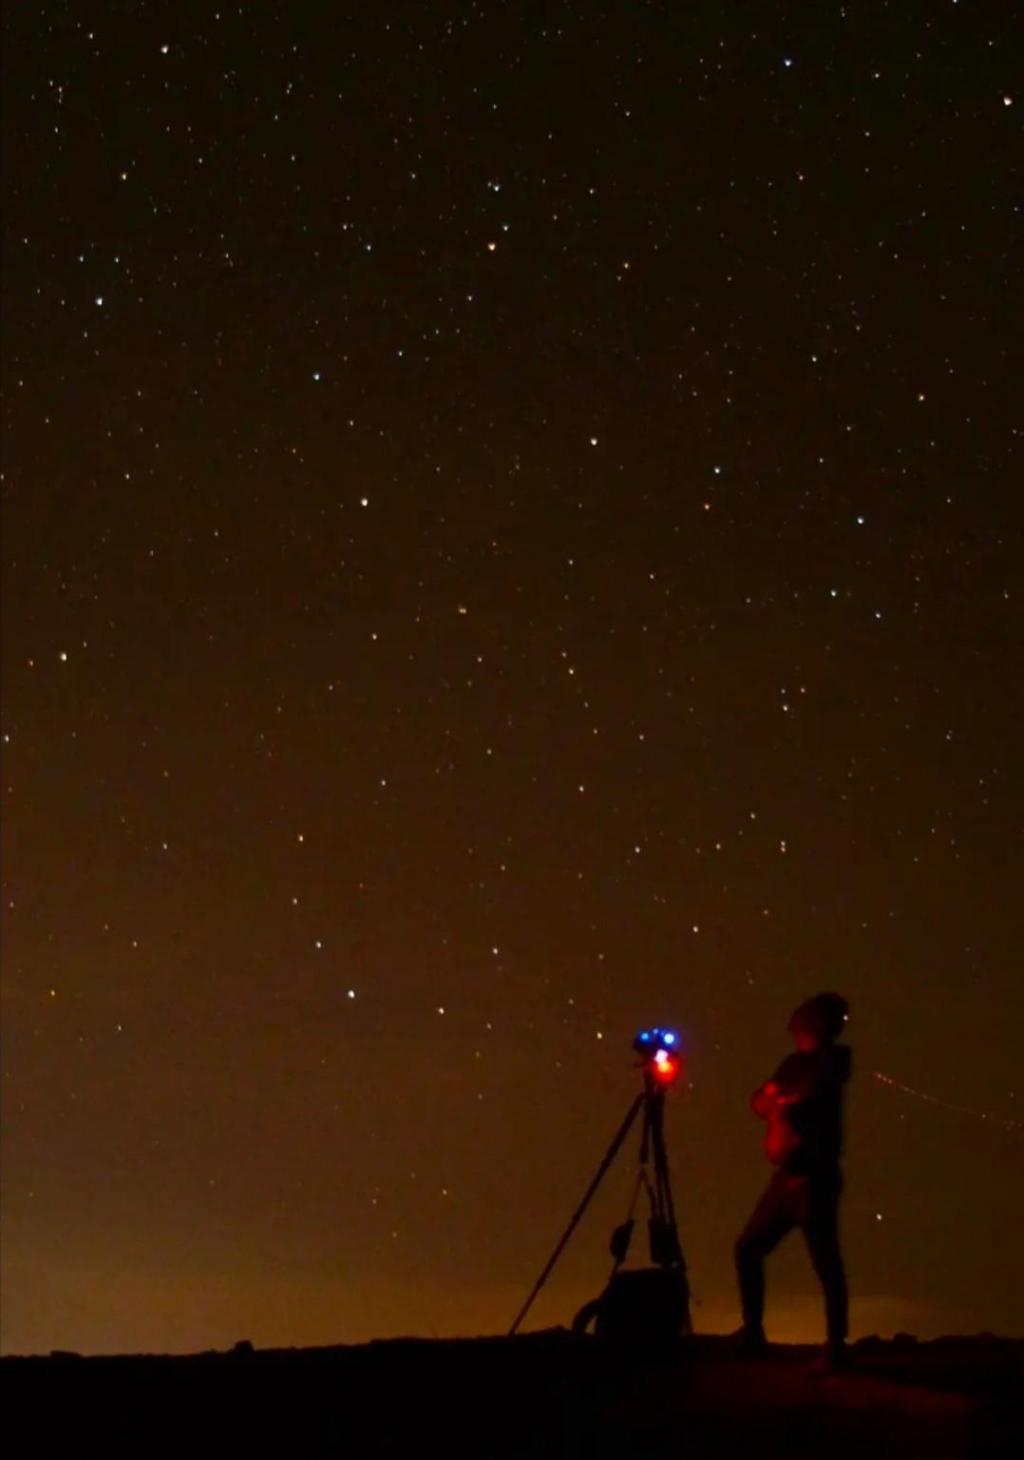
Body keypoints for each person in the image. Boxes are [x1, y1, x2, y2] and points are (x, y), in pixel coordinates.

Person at [734, 992, 851, 1365]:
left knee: (825, 1261)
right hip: (787, 1176)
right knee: (749, 1247)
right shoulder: (792, 1064)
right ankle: (753, 1330)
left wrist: (779, 1100)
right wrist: (771, 1097)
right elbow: (758, 1102)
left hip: (814, 1176)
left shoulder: (833, 1059)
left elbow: (811, 1095)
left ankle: (835, 1344)